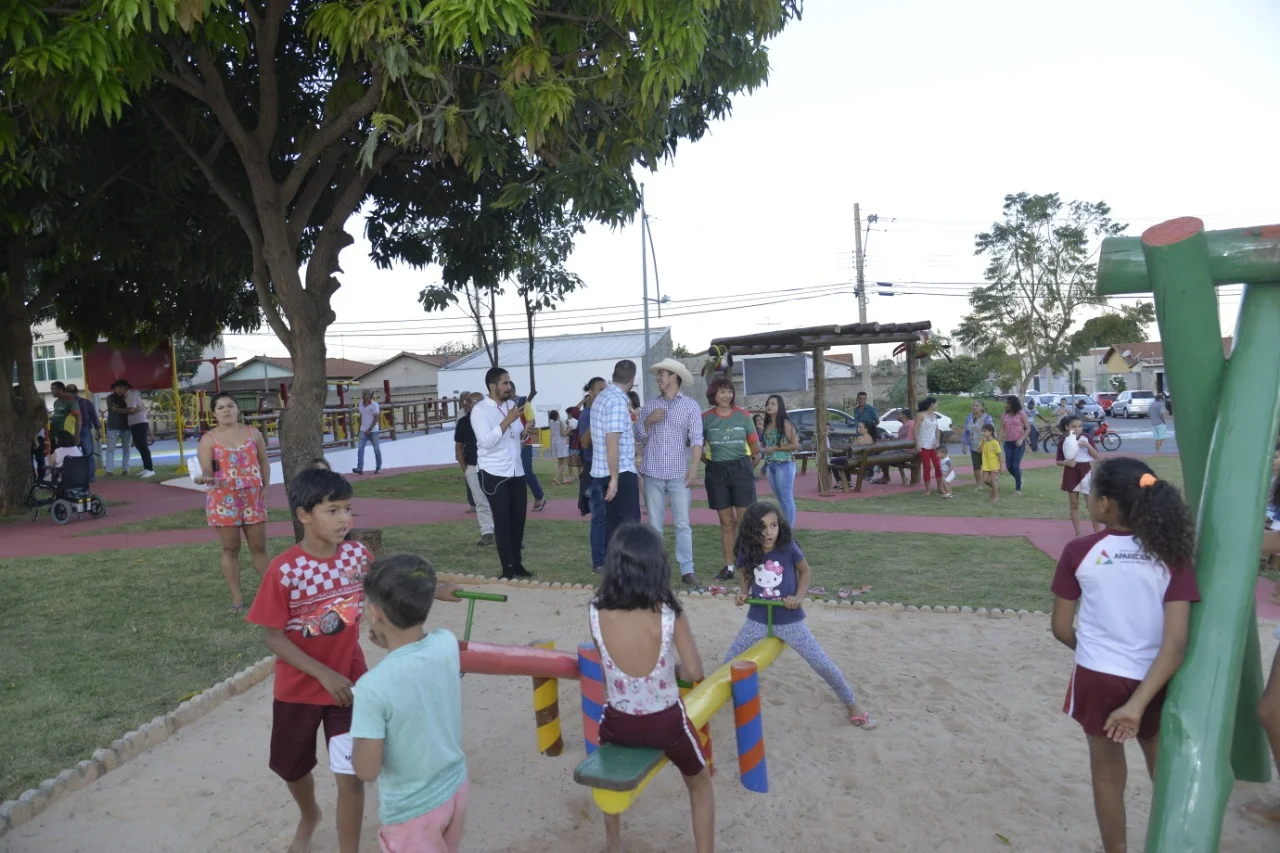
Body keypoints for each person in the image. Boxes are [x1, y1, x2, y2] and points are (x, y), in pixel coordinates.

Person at [1050, 457, 1199, 853]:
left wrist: (1098, 655)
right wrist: (1137, 704)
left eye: (1091, 493)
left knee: (1106, 776)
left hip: (1097, 676)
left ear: (1105, 504)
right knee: (1163, 769)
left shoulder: (1080, 550)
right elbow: (1176, 644)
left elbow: (1062, 628)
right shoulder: (1173, 554)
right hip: (1155, 679)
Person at [247, 469, 366, 853]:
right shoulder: (285, 570)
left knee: (351, 775)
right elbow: (273, 637)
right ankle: (309, 813)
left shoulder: (359, 556)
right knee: (292, 766)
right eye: (332, 511)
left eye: (347, 509)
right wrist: (324, 674)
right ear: (303, 516)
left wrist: (434, 589)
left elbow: (384, 599)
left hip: (350, 685)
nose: (344, 519)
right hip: (299, 689)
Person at [589, 523, 713, 853]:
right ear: (658, 566)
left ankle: (613, 844)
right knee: (700, 784)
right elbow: (695, 670)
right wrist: (670, 669)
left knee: (607, 778)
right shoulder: (668, 613)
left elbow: (607, 669)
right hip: (666, 722)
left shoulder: (596, 611)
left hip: (619, 723)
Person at [353, 554, 468, 853]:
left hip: (412, 810)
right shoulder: (446, 642)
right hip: (455, 786)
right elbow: (416, 667)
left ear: (375, 613)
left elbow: (366, 770)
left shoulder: (371, 687)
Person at [726, 501, 877, 728]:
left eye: (774, 525)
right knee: (728, 662)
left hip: (788, 620)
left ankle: (852, 704)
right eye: (762, 527)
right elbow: (746, 573)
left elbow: (805, 572)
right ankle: (709, 700)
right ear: (751, 530)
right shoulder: (749, 549)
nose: (769, 532)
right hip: (757, 617)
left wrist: (797, 596)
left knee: (821, 663)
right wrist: (744, 593)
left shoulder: (787, 547)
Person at [194, 392, 271, 612]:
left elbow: (264, 461)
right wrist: (205, 477)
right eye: (220, 407)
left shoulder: (253, 433)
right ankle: (237, 598)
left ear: (238, 409)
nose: (226, 410)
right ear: (214, 413)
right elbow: (207, 469)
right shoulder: (209, 439)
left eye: (230, 406)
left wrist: (265, 488)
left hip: (252, 497)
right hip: (223, 500)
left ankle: (273, 593)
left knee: (258, 546)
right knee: (230, 548)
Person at [635, 359, 705, 588]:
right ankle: (655, 569)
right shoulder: (650, 405)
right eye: (658, 375)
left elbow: (696, 438)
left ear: (674, 376)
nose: (658, 378)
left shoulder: (691, 406)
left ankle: (687, 569)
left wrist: (694, 467)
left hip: (678, 473)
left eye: (662, 374)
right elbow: (639, 436)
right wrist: (647, 421)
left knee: (682, 524)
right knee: (655, 524)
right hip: (653, 472)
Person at [472, 367, 533, 580]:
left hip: (516, 470)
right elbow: (486, 441)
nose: (509, 387)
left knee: (519, 519)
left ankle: (517, 564)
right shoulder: (480, 410)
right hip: (494, 472)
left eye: (509, 383)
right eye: (505, 383)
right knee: (503, 520)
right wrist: (507, 420)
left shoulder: (510, 406)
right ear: (492, 386)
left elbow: (514, 436)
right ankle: (507, 567)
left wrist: (525, 433)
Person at [703, 377, 760, 582]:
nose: (726, 395)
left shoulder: (744, 416)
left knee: (745, 521)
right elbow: (697, 448)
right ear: (713, 395)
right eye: (721, 392)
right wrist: (711, 463)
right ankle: (728, 567)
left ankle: (750, 565)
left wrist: (745, 470)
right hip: (717, 471)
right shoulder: (706, 418)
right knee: (727, 522)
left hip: (742, 469)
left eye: (729, 391)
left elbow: (755, 451)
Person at [592, 360, 643, 550]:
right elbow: (611, 440)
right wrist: (615, 478)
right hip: (619, 471)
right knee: (629, 524)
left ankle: (612, 565)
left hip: (603, 470)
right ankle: (626, 566)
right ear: (632, 379)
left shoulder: (602, 396)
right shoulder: (617, 401)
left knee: (611, 523)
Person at [454, 392, 493, 547]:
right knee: (480, 502)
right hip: (472, 467)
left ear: (480, 404)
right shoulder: (463, 422)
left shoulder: (491, 419)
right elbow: (459, 446)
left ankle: (507, 534)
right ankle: (487, 533)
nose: (465, 403)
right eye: (465, 401)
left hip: (492, 466)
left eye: (469, 401)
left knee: (499, 502)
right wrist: (466, 468)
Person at [578, 378, 608, 573]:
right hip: (594, 472)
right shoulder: (587, 415)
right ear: (590, 392)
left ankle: (607, 557)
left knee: (609, 516)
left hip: (607, 469)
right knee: (599, 517)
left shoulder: (603, 412)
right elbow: (584, 443)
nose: (605, 394)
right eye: (601, 390)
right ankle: (598, 561)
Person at [759, 394, 800, 526]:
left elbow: (795, 445)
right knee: (780, 498)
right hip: (771, 465)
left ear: (779, 406)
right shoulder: (768, 424)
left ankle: (789, 531)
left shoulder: (785, 424)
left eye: (773, 404)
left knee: (787, 499)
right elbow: (767, 445)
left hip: (784, 464)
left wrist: (775, 448)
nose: (769, 406)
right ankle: (785, 527)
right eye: (768, 404)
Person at [1058, 416, 1101, 537]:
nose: (1077, 429)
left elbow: (1096, 455)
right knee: (1074, 503)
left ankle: (1097, 533)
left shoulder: (1086, 438)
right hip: (1071, 472)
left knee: (1090, 504)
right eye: (1074, 426)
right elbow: (1059, 460)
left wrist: (1088, 446)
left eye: (1080, 426)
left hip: (1085, 471)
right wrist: (1066, 463)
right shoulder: (1064, 441)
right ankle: (1078, 533)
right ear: (1067, 427)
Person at [511, 381, 547, 512]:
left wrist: (524, 435)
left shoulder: (524, 404)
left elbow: (531, 421)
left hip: (525, 444)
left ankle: (539, 497)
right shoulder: (505, 405)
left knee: (526, 472)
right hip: (511, 444)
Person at [915, 396, 952, 499]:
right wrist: (917, 443)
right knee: (927, 467)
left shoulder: (934, 416)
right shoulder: (921, 415)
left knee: (938, 466)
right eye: (936, 403)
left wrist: (938, 441)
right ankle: (927, 489)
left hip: (933, 445)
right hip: (923, 445)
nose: (937, 405)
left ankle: (940, 487)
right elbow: (915, 429)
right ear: (931, 404)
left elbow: (937, 429)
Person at [65, 384, 100, 483]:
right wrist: (98, 430)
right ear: (77, 391)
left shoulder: (66, 403)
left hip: (70, 430)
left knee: (72, 454)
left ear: (67, 392)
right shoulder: (86, 402)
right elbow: (94, 417)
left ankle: (75, 476)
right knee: (88, 454)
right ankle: (91, 476)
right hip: (85, 429)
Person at [961, 400, 995, 490]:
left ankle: (993, 481)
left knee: (988, 465)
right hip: (973, 446)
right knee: (976, 466)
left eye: (977, 405)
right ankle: (979, 484)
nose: (974, 407)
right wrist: (964, 444)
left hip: (985, 445)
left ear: (982, 408)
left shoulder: (987, 418)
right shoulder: (969, 417)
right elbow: (965, 431)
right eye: (973, 405)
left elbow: (991, 430)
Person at [1001, 395, 1031, 495]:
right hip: (1008, 443)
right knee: (1009, 466)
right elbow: (1001, 429)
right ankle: (1020, 479)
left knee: (1015, 465)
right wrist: (997, 441)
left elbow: (1028, 428)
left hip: (1018, 443)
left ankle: (1018, 489)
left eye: (1008, 403)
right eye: (1006, 403)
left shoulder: (1021, 414)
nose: (1006, 405)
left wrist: (1022, 439)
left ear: (1013, 403)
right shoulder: (1004, 415)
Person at [104, 379, 135, 476]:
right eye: (119, 388)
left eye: (124, 387)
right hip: (113, 426)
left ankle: (126, 469)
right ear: (115, 388)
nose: (122, 389)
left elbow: (129, 409)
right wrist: (129, 410)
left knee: (127, 448)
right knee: (110, 449)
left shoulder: (129, 396)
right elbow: (115, 409)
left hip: (126, 426)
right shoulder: (110, 398)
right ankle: (109, 470)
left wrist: (126, 409)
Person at [353, 389, 382, 475]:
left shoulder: (374, 405)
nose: (363, 396)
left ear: (369, 396)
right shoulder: (360, 405)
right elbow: (361, 417)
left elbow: (376, 418)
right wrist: (360, 429)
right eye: (362, 394)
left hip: (373, 431)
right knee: (360, 449)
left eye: (365, 394)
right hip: (363, 430)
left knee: (376, 449)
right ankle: (360, 468)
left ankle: (378, 467)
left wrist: (370, 429)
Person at [48, 382, 80, 447]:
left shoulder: (71, 401)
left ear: (60, 389)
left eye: (53, 389)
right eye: (51, 389)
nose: (51, 392)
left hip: (66, 437)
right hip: (55, 436)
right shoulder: (56, 402)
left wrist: (76, 436)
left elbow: (78, 419)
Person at [979, 423, 1003, 502]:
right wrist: (983, 442)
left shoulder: (995, 442)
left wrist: (1001, 467)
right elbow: (979, 451)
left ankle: (995, 497)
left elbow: (999, 455)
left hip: (994, 465)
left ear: (991, 432)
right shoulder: (983, 441)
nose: (984, 433)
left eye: (985, 431)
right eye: (983, 431)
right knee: (985, 480)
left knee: (993, 480)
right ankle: (996, 487)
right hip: (986, 465)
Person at [549, 410, 572, 485]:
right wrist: (569, 429)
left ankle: (564, 478)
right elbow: (563, 434)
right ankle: (556, 478)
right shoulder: (560, 423)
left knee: (560, 462)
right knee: (565, 461)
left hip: (554, 443)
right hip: (560, 443)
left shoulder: (551, 423)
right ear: (557, 415)